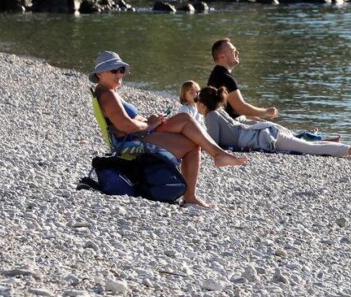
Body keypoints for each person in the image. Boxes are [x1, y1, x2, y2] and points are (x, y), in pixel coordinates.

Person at [91, 52, 246, 209]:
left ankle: (216, 158)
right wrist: (150, 125)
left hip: (136, 133)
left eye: (121, 70)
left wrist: (147, 120)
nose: (119, 74)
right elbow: (125, 126)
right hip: (130, 141)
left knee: (185, 120)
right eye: (114, 71)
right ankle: (205, 175)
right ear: (99, 73)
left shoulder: (107, 91)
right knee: (190, 138)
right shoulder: (108, 95)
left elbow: (126, 121)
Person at [196, 86, 351, 160]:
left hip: (263, 137)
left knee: (309, 148)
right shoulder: (218, 112)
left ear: (203, 104)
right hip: (264, 132)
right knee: (307, 144)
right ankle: (349, 148)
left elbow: (212, 143)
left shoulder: (211, 116)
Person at [207, 38, 277, 120]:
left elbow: (229, 110)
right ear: (222, 57)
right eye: (233, 51)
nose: (237, 52)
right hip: (229, 127)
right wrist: (266, 111)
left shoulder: (217, 74)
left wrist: (249, 117)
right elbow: (240, 107)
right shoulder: (226, 78)